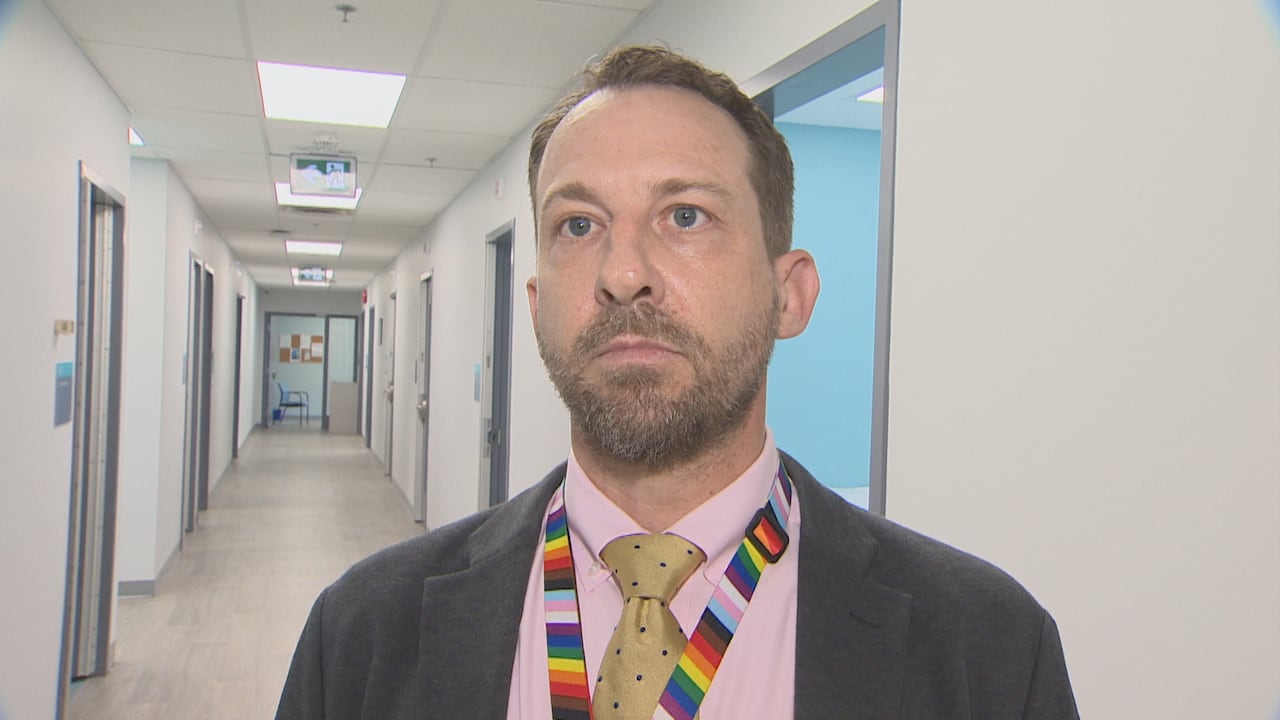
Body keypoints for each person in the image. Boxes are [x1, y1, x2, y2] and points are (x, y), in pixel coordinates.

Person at [276, 45, 1079, 719]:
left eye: (686, 215)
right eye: (578, 225)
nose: (624, 274)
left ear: (789, 294)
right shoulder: (361, 637)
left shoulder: (989, 651)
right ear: (535, 305)